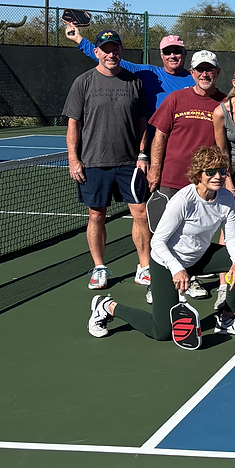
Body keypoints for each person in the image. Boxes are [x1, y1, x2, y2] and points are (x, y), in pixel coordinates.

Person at [87, 144, 235, 344]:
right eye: (210, 172)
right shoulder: (184, 200)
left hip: (200, 256)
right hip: (167, 263)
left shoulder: (226, 198)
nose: (217, 176)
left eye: (221, 171)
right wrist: (177, 270)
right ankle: (107, 306)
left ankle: (227, 319)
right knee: (162, 332)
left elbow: (233, 236)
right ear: (198, 174)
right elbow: (157, 241)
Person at [62, 28, 152, 291]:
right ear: (97, 52)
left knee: (141, 214)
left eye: (116, 49)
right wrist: (73, 159)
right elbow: (73, 124)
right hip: (92, 163)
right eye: (106, 50)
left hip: (129, 164)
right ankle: (99, 267)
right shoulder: (83, 82)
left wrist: (143, 154)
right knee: (95, 216)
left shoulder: (134, 83)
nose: (111, 54)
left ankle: (144, 268)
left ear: (121, 52)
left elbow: (142, 123)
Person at [64, 23, 192, 115]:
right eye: (167, 52)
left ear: (185, 53)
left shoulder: (195, 80)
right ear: (161, 55)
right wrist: (79, 40)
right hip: (152, 148)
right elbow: (110, 58)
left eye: (177, 51)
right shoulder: (149, 74)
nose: (172, 56)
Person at [148, 51, 225, 203]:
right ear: (192, 72)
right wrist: (155, 170)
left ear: (217, 72)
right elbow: (160, 136)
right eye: (199, 70)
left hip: (205, 182)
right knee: (166, 227)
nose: (204, 74)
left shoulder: (226, 103)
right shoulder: (175, 98)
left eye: (209, 70)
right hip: (171, 181)